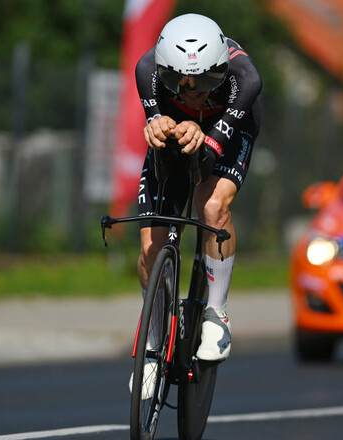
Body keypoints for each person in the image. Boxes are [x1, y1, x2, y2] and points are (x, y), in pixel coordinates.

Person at [135, 13, 261, 362]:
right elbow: (160, 126)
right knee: (150, 245)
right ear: (163, 70)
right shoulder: (146, 70)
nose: (192, 91)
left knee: (211, 206)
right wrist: (160, 126)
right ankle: (153, 340)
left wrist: (205, 138)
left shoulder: (246, 78)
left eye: (207, 80)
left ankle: (216, 314)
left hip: (229, 124)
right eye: (178, 81)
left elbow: (207, 155)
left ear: (221, 68)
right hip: (178, 127)